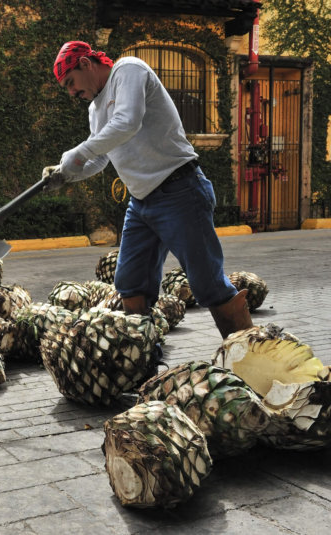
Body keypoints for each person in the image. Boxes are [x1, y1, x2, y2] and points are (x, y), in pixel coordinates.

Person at [42, 41, 252, 339]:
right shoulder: (95, 109)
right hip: (141, 203)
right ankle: (142, 360)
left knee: (208, 284)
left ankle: (252, 353)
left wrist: (78, 153)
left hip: (179, 190)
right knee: (131, 283)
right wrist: (67, 174)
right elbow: (100, 158)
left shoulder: (128, 70)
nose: (72, 92)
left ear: (86, 64)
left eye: (71, 82)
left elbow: (127, 123)